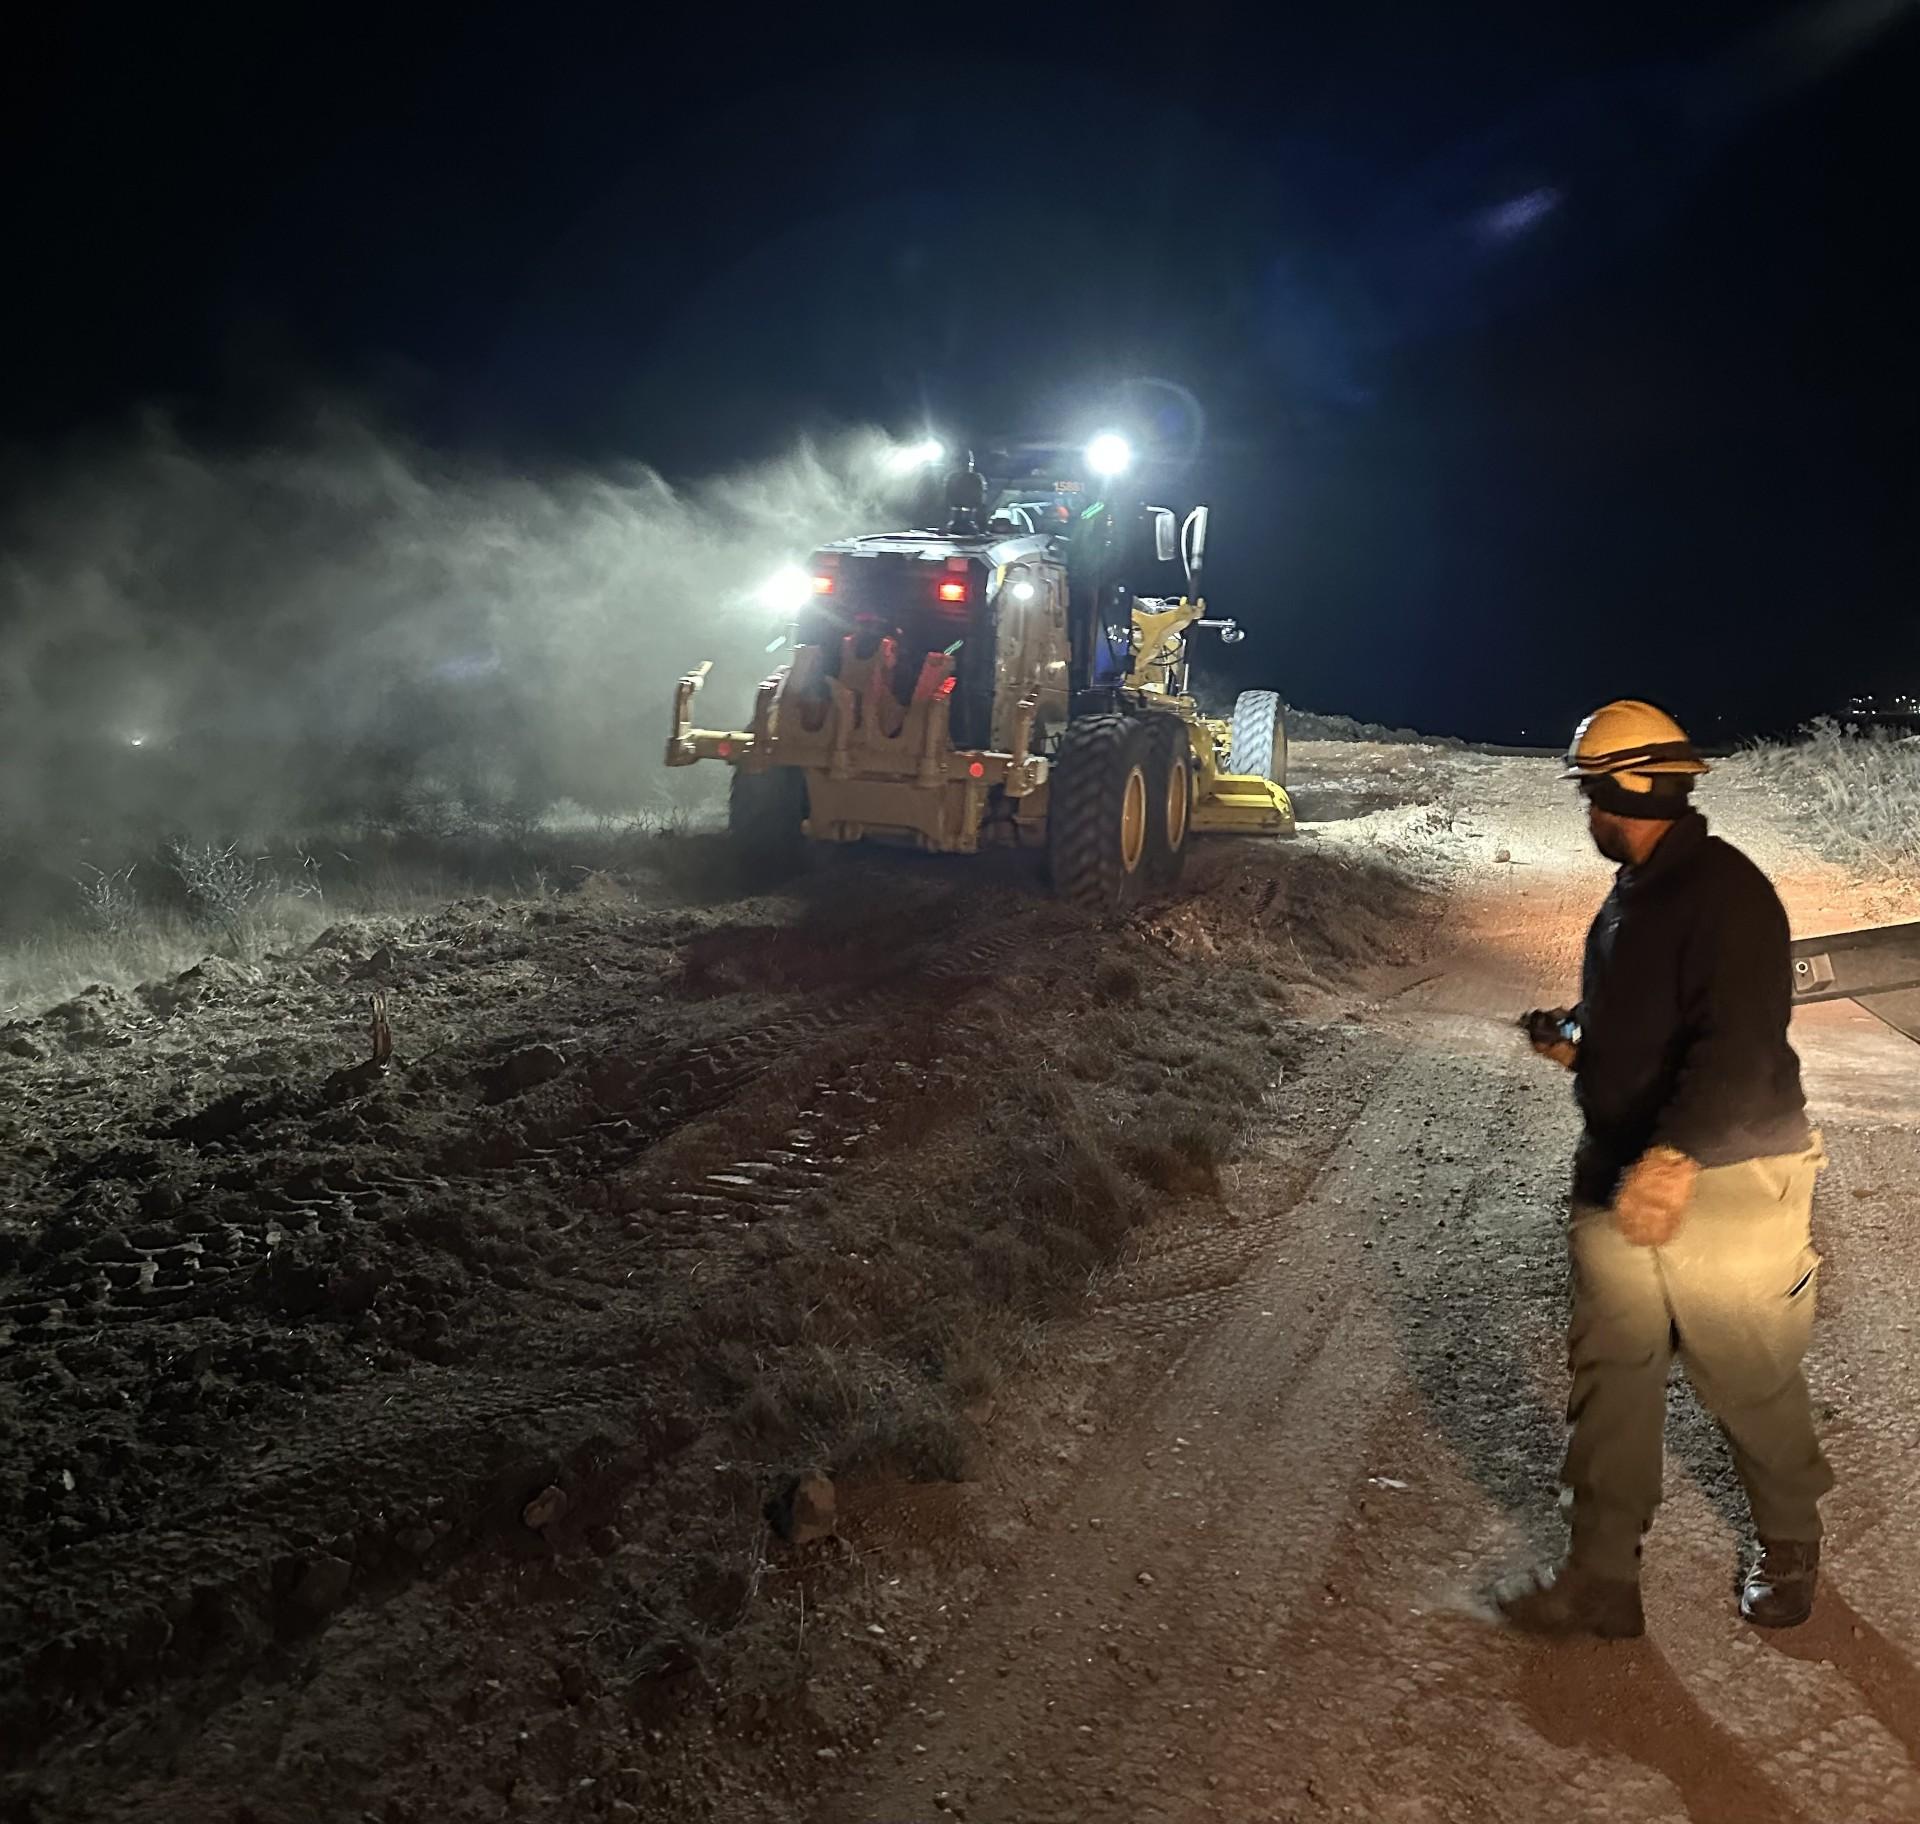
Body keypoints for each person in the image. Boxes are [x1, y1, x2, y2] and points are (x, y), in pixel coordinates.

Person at [1498, 699, 1832, 1639]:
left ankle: (1789, 1541)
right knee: (1614, 1376)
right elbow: (1652, 1017)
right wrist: (1580, 1041)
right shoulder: (1640, 890)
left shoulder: (1728, 895)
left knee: (1745, 1370)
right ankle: (1602, 1578)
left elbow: (1734, 1044)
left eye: (1588, 794)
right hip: (1622, 1169)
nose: (1587, 814)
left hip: (1724, 1174)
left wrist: (1675, 1156)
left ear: (1617, 789)